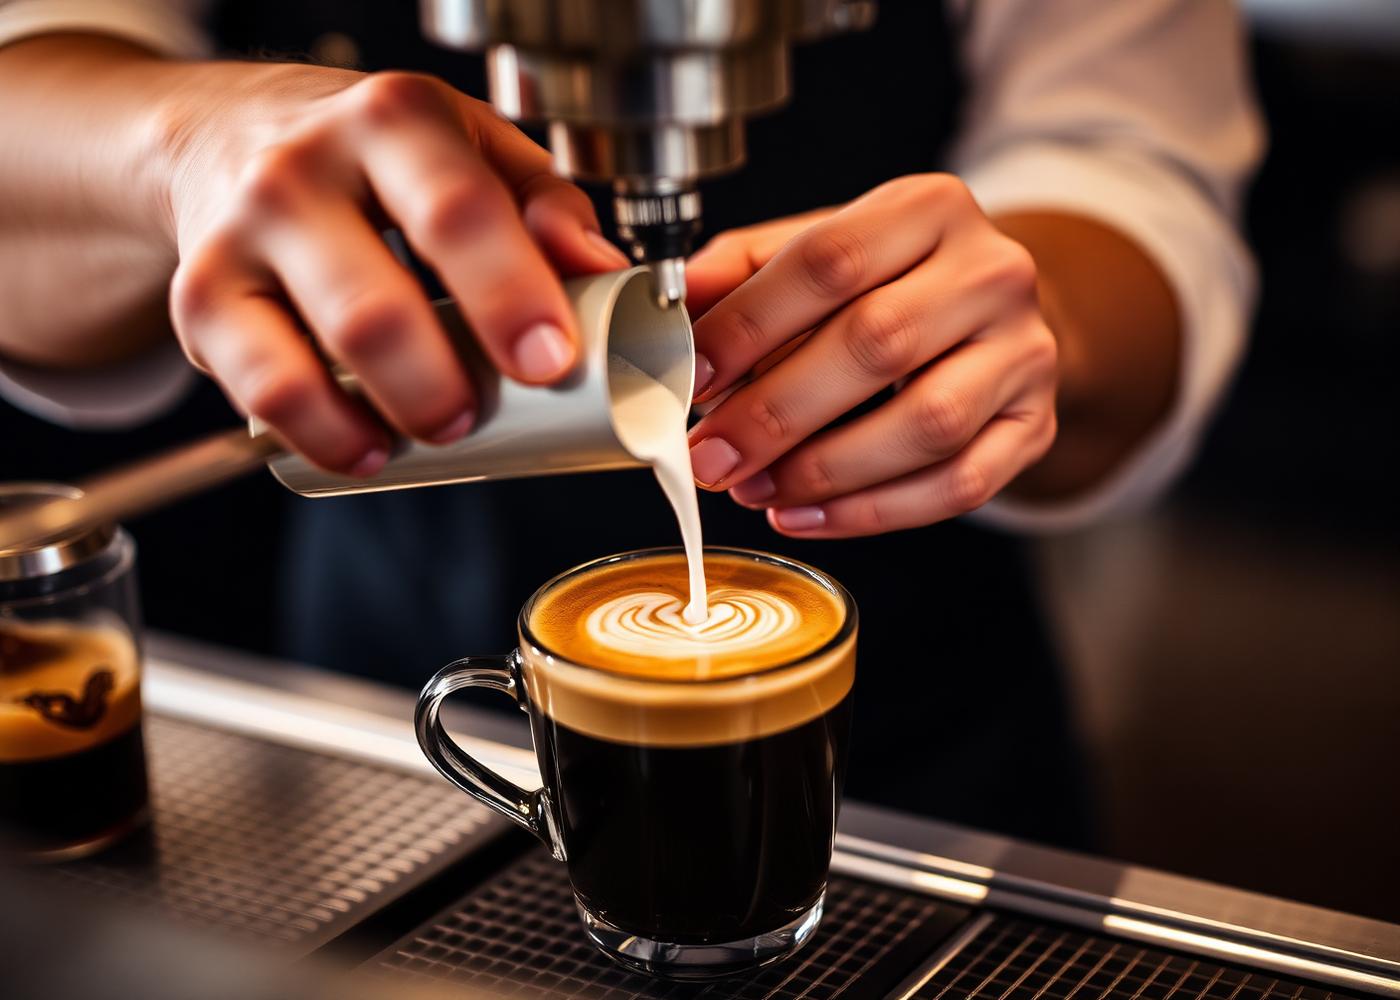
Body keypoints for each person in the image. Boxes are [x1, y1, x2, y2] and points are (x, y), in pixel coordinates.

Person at [0, 1, 1262, 848]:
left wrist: (1019, 322)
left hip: (916, 768)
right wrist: (178, 145)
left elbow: (1129, 159)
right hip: (367, 738)